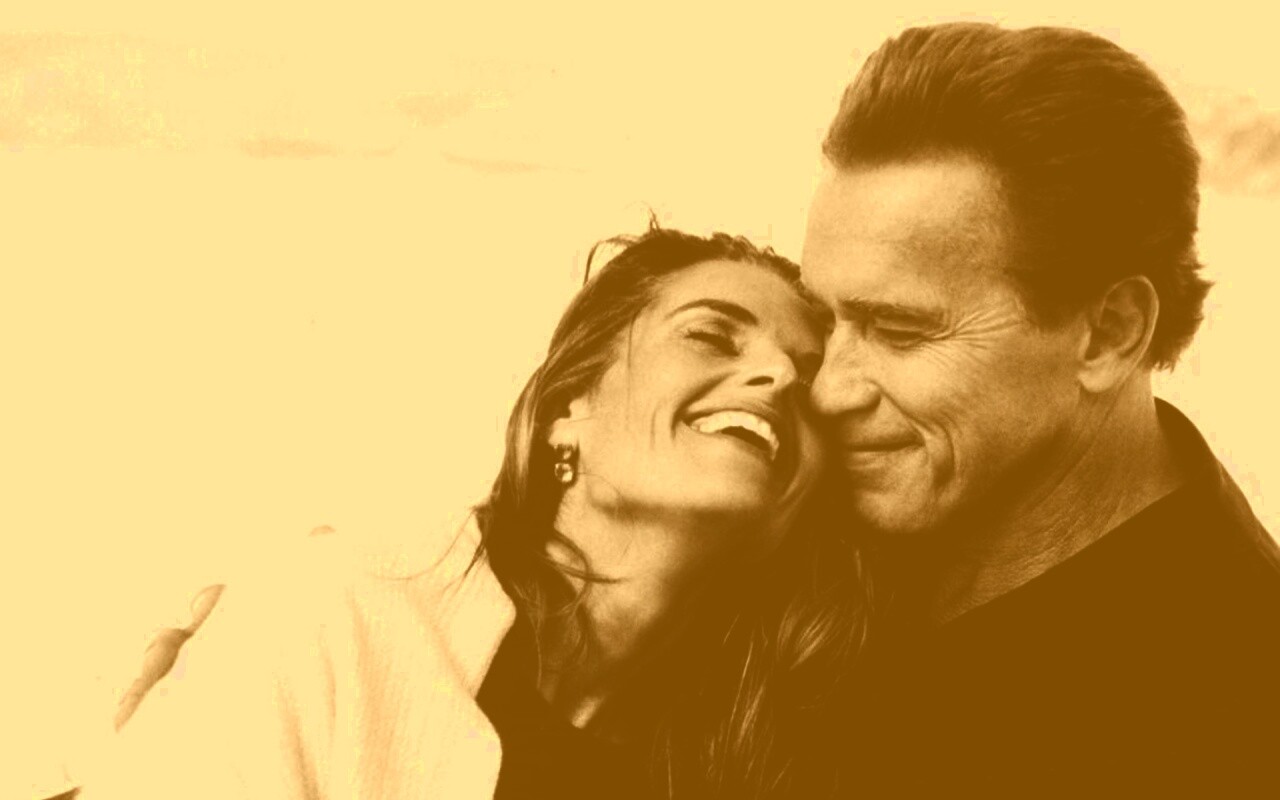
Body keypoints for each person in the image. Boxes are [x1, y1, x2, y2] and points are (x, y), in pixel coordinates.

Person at [82, 225, 867, 800]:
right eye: (712, 336)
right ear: (569, 409)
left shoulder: (773, 756)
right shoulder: (337, 613)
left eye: (808, 375)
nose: (779, 375)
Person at [801, 22, 1280, 796]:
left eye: (899, 330)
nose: (828, 390)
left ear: (1110, 332)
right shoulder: (822, 523)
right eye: (821, 320)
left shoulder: (1234, 718)